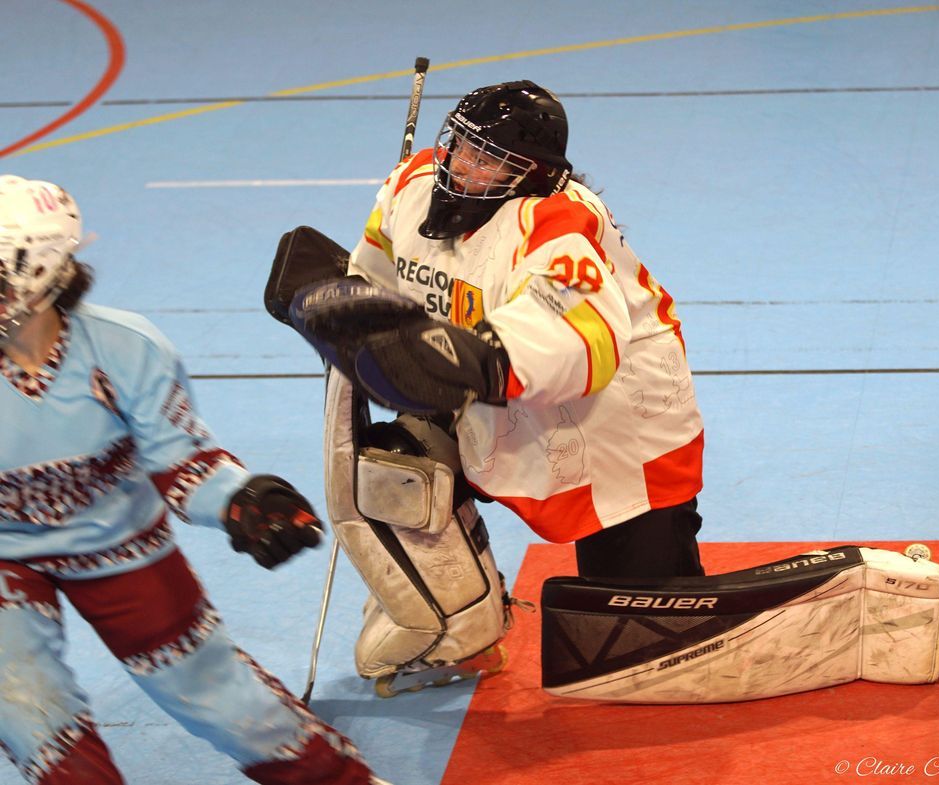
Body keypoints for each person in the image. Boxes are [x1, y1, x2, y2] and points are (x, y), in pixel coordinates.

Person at [0, 175, 385, 784]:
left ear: (43, 271)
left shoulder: (123, 349)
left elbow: (182, 463)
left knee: (222, 700)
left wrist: (243, 501)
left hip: (119, 546)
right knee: (25, 709)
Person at [299, 80, 706, 580]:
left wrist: (469, 359)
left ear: (530, 173)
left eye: (486, 158)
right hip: (497, 406)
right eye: (461, 144)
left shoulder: (556, 224)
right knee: (397, 476)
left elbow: (581, 332)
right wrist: (333, 301)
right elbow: (379, 270)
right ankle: (462, 615)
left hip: (616, 421)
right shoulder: (412, 185)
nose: (461, 164)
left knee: (638, 596)